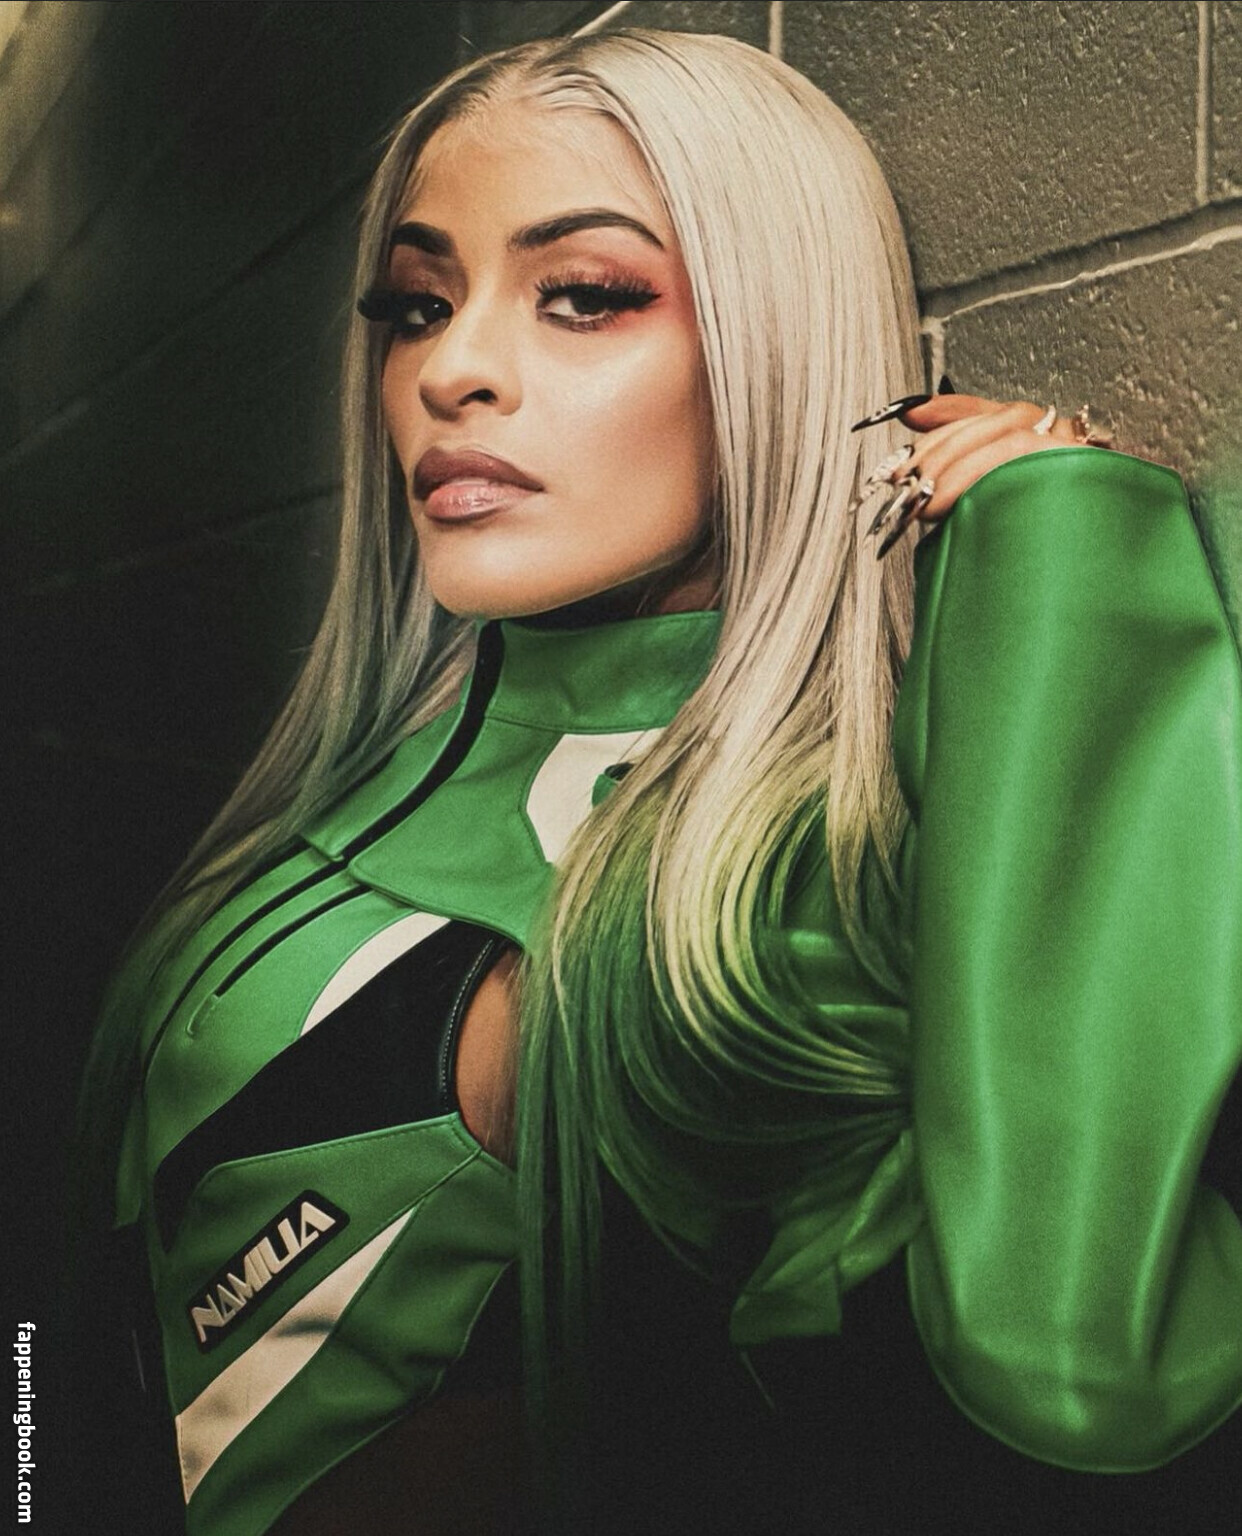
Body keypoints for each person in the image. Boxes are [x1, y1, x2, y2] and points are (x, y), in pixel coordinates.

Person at [79, 24, 1242, 1536]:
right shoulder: (364, 771)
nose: (452, 371)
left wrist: (1070, 575)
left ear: (775, 347)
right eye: (417, 306)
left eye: (584, 296)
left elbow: (1065, 1363)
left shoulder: (776, 890)